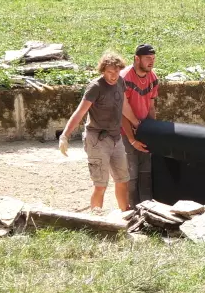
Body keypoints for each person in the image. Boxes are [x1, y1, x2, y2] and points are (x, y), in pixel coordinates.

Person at [59, 51, 135, 211]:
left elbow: (124, 106)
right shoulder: (95, 87)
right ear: (103, 71)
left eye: (116, 71)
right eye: (110, 72)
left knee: (123, 180)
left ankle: (125, 215)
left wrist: (137, 123)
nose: (113, 76)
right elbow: (80, 112)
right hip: (97, 139)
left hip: (116, 138)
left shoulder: (120, 82)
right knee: (101, 185)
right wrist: (65, 135)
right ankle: (96, 217)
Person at [120, 43, 157, 207]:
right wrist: (132, 138)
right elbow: (121, 111)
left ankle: (148, 209)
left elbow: (151, 107)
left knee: (146, 172)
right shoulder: (124, 78)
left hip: (143, 129)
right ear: (137, 59)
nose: (151, 61)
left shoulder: (153, 77)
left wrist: (153, 132)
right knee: (131, 175)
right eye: (148, 58)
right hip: (124, 131)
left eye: (153, 58)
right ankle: (132, 210)